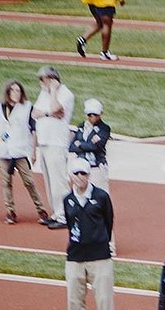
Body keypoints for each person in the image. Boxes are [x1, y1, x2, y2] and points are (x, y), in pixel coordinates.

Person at [60, 159, 117, 310]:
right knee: (74, 301)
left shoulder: (101, 197)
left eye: (83, 173)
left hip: (100, 256)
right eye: (76, 173)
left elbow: (109, 222)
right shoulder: (68, 200)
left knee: (104, 299)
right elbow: (70, 224)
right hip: (75, 256)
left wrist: (100, 241)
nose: (79, 177)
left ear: (88, 175)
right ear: (71, 176)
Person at [0, 79, 48, 226]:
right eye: (13, 90)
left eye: (18, 90)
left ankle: (41, 210)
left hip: (20, 150)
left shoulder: (27, 107)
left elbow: (33, 130)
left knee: (29, 181)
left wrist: (33, 151)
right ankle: (10, 212)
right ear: (8, 92)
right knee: (6, 182)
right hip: (2, 150)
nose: (16, 93)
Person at [31, 66, 75, 229]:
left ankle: (64, 216)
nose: (41, 83)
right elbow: (35, 113)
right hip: (43, 142)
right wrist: (47, 113)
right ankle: (56, 213)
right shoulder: (44, 93)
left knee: (59, 182)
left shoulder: (65, 94)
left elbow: (57, 109)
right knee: (49, 182)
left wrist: (54, 91)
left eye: (43, 80)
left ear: (52, 79)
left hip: (56, 143)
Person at [69, 98, 113, 254]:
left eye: (94, 114)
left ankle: (108, 243)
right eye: (89, 115)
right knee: (80, 205)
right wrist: (83, 144)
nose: (91, 118)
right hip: (82, 169)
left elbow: (96, 146)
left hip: (97, 170)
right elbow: (72, 146)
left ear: (100, 114)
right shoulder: (82, 127)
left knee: (101, 204)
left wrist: (82, 144)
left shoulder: (104, 128)